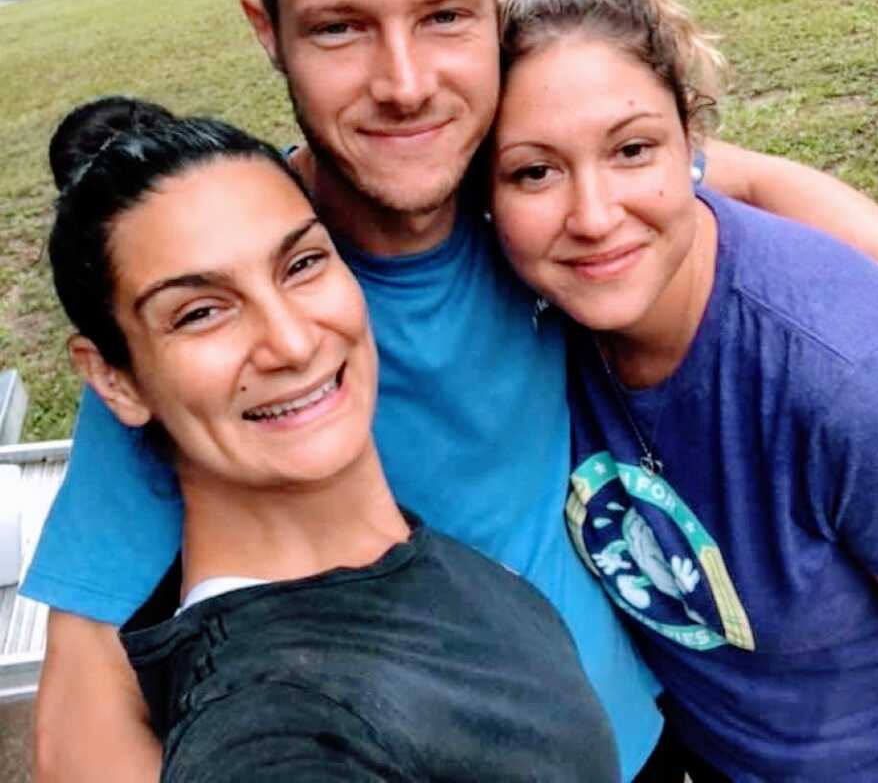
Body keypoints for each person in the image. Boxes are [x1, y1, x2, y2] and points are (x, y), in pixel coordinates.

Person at [27, 0, 878, 783]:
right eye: (340, 27)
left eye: (443, 15)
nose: (404, 85)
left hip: (651, 740)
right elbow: (79, 714)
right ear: (267, 32)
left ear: (493, 3)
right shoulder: (228, 292)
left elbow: (721, 177)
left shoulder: (534, 191)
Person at [47, 95, 621, 782]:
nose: (289, 342)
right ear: (115, 381)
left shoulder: (428, 561)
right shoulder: (271, 732)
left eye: (301, 265)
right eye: (200, 312)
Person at [490, 0, 878, 781]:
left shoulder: (850, 381)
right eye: (534, 172)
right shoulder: (534, 321)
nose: (595, 215)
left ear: (691, 141)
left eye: (632, 150)